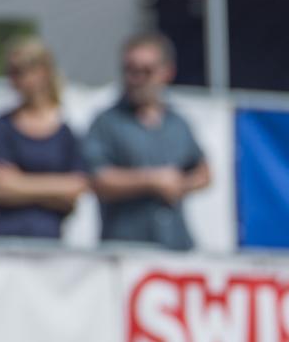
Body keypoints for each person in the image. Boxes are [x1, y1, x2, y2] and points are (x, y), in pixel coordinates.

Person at [82, 32, 211, 251]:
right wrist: (152, 181)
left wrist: (180, 184)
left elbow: (203, 172)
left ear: (167, 72)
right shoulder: (106, 123)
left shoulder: (177, 123)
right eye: (131, 70)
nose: (137, 79)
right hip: (125, 250)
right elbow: (97, 179)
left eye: (146, 71)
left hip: (176, 245)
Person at [0, 36, 88, 240]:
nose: (13, 80)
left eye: (19, 72)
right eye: (11, 73)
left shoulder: (67, 128)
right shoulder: (2, 126)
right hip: (5, 238)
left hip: (49, 240)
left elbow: (75, 188)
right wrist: (55, 189)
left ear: (42, 73)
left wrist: (19, 183)